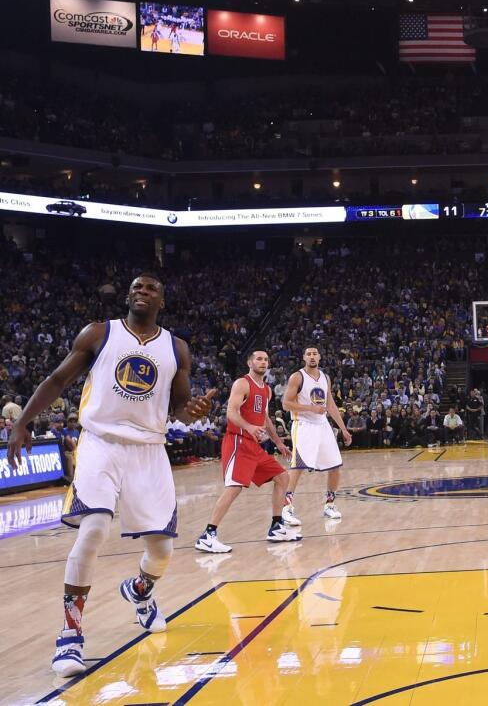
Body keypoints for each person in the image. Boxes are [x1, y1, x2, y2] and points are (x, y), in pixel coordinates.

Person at [4, 275, 215, 677]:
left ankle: (140, 591)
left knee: (161, 552)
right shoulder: (99, 333)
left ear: (162, 301)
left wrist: (195, 411)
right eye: (136, 287)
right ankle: (70, 633)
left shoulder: (176, 348)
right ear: (128, 295)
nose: (142, 291)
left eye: (151, 288)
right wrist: (24, 421)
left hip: (149, 451)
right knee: (95, 527)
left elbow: (179, 408)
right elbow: (58, 379)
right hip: (100, 442)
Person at [195, 350, 298, 554]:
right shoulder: (242, 384)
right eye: (259, 359)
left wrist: (278, 443)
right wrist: (249, 427)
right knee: (234, 487)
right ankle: (208, 534)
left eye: (266, 359)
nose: (263, 362)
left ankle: (276, 526)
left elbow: (266, 419)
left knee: (282, 477)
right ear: (250, 362)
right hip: (237, 442)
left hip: (253, 445)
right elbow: (231, 412)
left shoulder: (266, 390)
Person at [279, 347, 352, 528]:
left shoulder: (325, 377)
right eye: (308, 354)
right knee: (298, 465)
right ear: (304, 357)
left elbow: (331, 404)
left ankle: (329, 504)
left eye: (315, 354)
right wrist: (310, 408)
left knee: (335, 465)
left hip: (322, 425)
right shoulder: (298, 377)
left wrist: (343, 428)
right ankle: (286, 507)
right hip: (303, 425)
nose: (312, 357)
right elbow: (286, 404)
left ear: (319, 357)